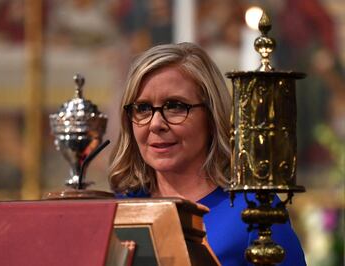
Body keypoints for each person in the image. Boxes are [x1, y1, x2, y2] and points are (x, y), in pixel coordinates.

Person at [108, 42, 306, 266]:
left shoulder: (256, 212)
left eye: (175, 106)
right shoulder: (118, 212)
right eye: (142, 108)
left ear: (212, 116)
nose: (155, 124)